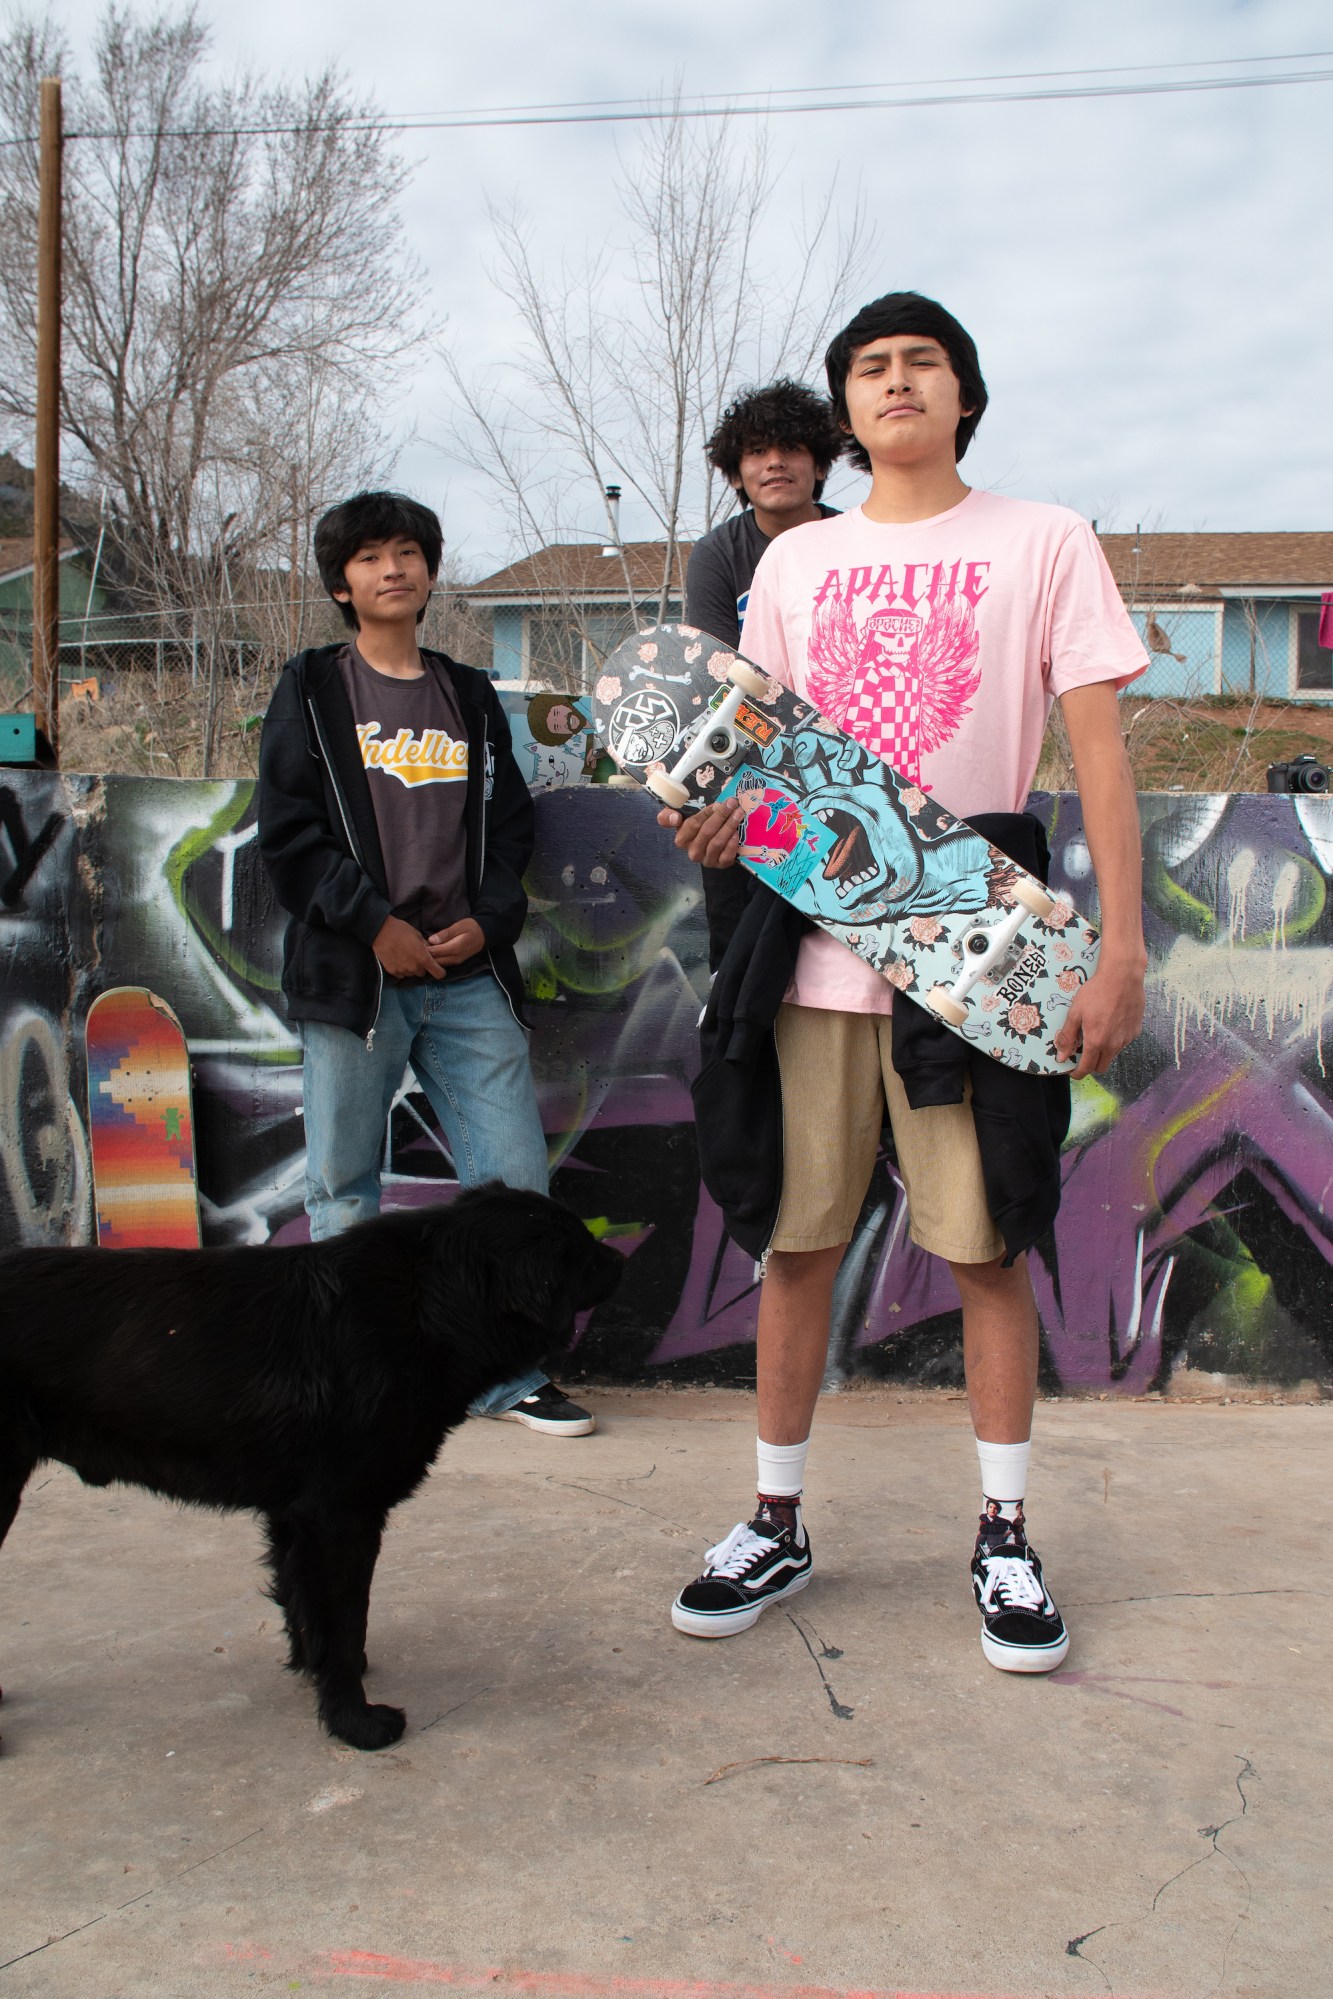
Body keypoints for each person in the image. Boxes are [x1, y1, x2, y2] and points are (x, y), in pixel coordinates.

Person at [661, 294, 1148, 1670]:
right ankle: (775, 1514)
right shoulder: (797, 562)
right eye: (867, 368)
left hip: (975, 957)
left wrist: (1118, 946)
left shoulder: (1044, 539)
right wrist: (717, 819)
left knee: (983, 1246)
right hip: (810, 953)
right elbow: (758, 761)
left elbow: (1098, 749)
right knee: (798, 1242)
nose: (894, 382)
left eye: (919, 362)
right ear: (843, 411)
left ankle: (1002, 1529)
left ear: (963, 394)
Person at [256, 489, 595, 1437]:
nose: (392, 568)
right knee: (344, 1181)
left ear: (430, 571)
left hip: (466, 977)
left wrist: (489, 922)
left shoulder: (467, 692)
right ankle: (343, 1367)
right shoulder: (313, 689)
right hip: (358, 979)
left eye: (407, 551)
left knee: (513, 1180)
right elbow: (287, 833)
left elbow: (510, 824)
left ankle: (507, 1373)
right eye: (369, 557)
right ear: (341, 582)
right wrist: (373, 925)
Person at [686, 381, 849, 969]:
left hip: (843, 775)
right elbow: (715, 678)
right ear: (736, 474)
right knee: (744, 967)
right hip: (745, 780)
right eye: (756, 452)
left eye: (791, 448)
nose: (774, 462)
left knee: (837, 952)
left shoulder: (852, 543)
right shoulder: (717, 556)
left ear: (820, 463)